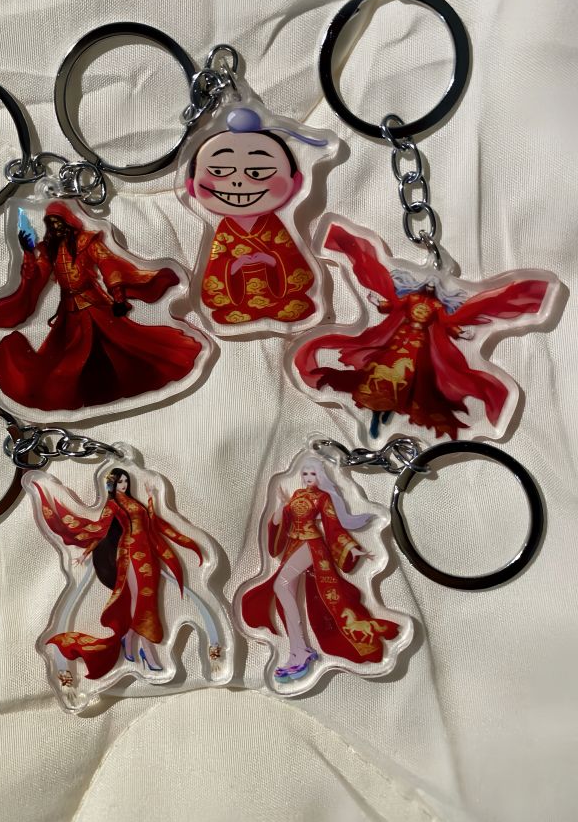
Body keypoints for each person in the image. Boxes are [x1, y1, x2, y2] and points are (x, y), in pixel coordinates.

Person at [295, 223, 553, 438]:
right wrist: (377, 302)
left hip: (419, 348)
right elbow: (390, 305)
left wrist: (462, 333)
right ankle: (375, 409)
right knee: (377, 370)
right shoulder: (410, 299)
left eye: (432, 288)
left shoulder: (437, 307)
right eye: (426, 286)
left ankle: (393, 408)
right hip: (394, 343)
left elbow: (449, 325)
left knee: (413, 379)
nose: (424, 301)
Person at [0, 201, 202, 411]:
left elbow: (109, 264)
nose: (56, 227)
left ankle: (127, 378)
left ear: (68, 221)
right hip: (69, 310)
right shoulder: (49, 251)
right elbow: (38, 275)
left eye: (59, 222)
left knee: (118, 342)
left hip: (94, 303)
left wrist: (118, 297)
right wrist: (29, 260)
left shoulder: (86, 241)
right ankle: (83, 389)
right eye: (51, 224)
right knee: (66, 356)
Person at [34, 468, 204, 679]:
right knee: (140, 600)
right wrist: (85, 552)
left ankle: (129, 639)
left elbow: (150, 522)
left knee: (147, 599)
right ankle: (148, 651)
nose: (124, 485)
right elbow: (100, 530)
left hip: (148, 553)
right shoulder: (112, 506)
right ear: (112, 484)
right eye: (120, 482)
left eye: (125, 481)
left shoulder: (135, 503)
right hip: (130, 553)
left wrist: (152, 498)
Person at [241, 457, 399, 682]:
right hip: (293, 546)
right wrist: (281, 506)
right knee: (285, 594)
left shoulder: (323, 498)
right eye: (305, 474)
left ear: (320, 476)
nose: (308, 478)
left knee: (280, 586)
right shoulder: (296, 495)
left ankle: (301, 649)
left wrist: (353, 548)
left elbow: (333, 526)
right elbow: (280, 521)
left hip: (312, 546)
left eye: (312, 474)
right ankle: (297, 651)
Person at [186, 107, 323, 326]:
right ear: (190, 186)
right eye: (219, 172)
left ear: (295, 182)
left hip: (277, 294)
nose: (238, 183)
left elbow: (291, 258)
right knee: (226, 314)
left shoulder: (272, 223)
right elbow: (216, 267)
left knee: (296, 307)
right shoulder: (225, 228)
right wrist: (234, 265)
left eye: (257, 173)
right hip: (240, 296)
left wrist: (270, 259)